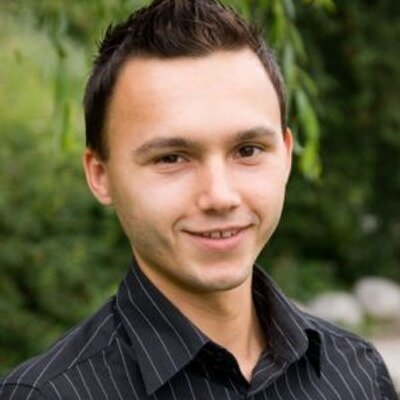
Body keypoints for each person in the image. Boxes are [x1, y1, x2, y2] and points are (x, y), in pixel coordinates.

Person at [0, 0, 397, 399]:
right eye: (171, 158)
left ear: (286, 155)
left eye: (247, 150)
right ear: (101, 176)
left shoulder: (357, 373)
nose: (220, 196)